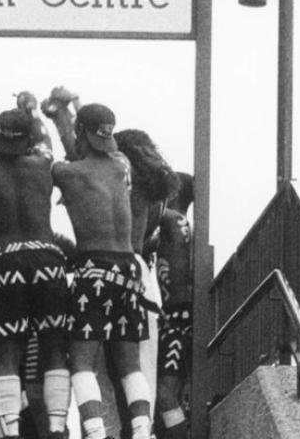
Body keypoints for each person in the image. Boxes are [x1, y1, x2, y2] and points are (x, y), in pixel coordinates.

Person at [41, 90, 153, 439]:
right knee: (130, 364)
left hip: (94, 269)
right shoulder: (122, 164)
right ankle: (142, 432)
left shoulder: (67, 172)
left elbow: (65, 153)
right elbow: (87, 142)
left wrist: (49, 116)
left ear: (81, 132)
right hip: (129, 270)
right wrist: (69, 106)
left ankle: (94, 433)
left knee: (82, 360)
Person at [0, 108, 70, 439]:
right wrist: (33, 108)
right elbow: (44, 139)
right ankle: (56, 429)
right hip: (47, 260)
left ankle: (11, 432)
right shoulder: (43, 165)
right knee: (54, 350)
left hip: (7, 262)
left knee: (6, 354)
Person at [112, 129, 180, 438]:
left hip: (114, 266)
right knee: (142, 371)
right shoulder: (157, 193)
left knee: (112, 372)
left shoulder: (122, 180)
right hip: (143, 277)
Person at [154, 173, 193, 439]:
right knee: (170, 394)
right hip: (178, 314)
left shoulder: (172, 219)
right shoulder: (179, 225)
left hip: (178, 316)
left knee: (166, 393)